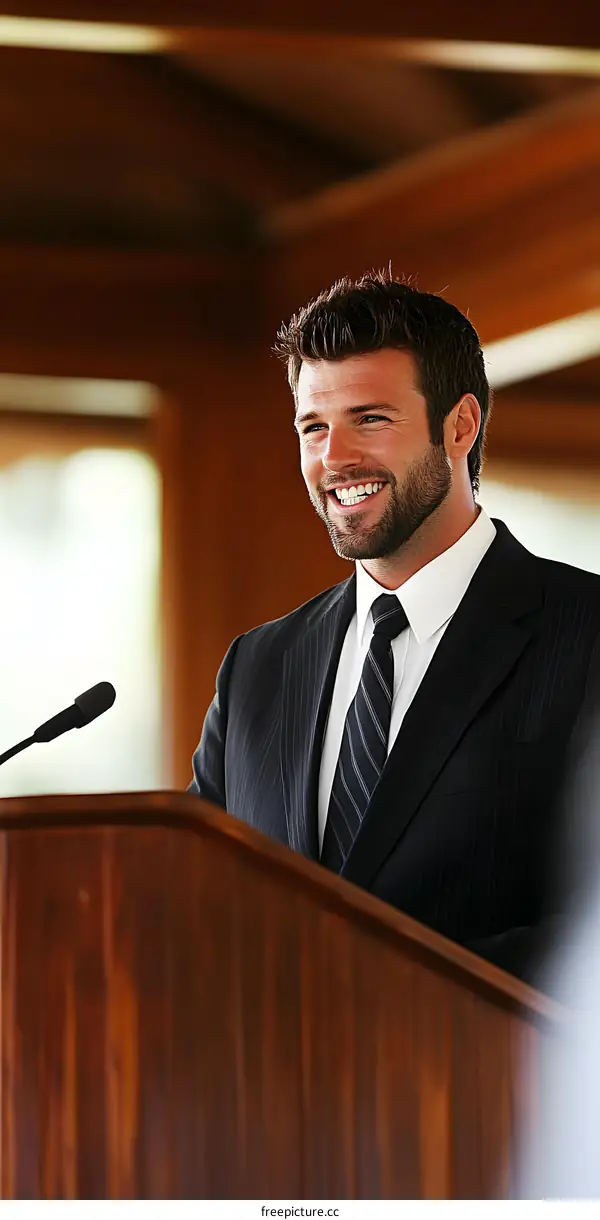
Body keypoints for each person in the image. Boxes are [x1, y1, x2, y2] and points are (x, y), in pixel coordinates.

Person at [188, 270, 600, 986]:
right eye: (313, 427)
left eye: (370, 419)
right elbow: (192, 899)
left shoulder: (587, 635)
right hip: (270, 1094)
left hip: (491, 1089)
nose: (334, 457)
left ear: (460, 425)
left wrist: (384, 990)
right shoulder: (258, 666)